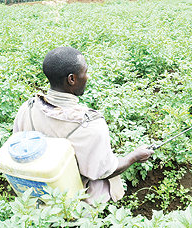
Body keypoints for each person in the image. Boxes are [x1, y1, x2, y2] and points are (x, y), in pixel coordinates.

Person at [13, 46, 154, 203]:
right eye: (85, 72)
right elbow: (106, 171)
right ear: (72, 79)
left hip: (36, 194)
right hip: (73, 203)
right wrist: (134, 156)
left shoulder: (27, 108)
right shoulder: (91, 125)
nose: (87, 76)